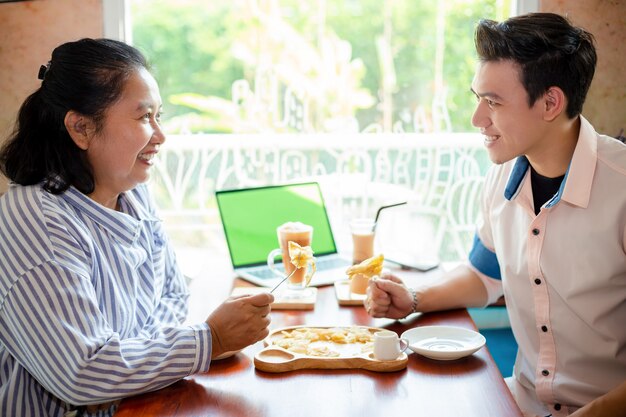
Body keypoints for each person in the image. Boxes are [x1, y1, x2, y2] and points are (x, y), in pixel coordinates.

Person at [364, 13, 626, 417]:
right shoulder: (500, 179)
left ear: (551, 103)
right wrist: (413, 299)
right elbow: (484, 274)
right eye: (477, 98)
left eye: (493, 102)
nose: (477, 119)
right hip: (521, 401)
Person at [0, 38, 274, 417]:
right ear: (80, 127)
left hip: (138, 404)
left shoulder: (131, 192)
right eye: (145, 117)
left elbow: (173, 296)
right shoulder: (35, 221)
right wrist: (208, 340)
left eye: (159, 116)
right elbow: (82, 373)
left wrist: (129, 362)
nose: (160, 135)